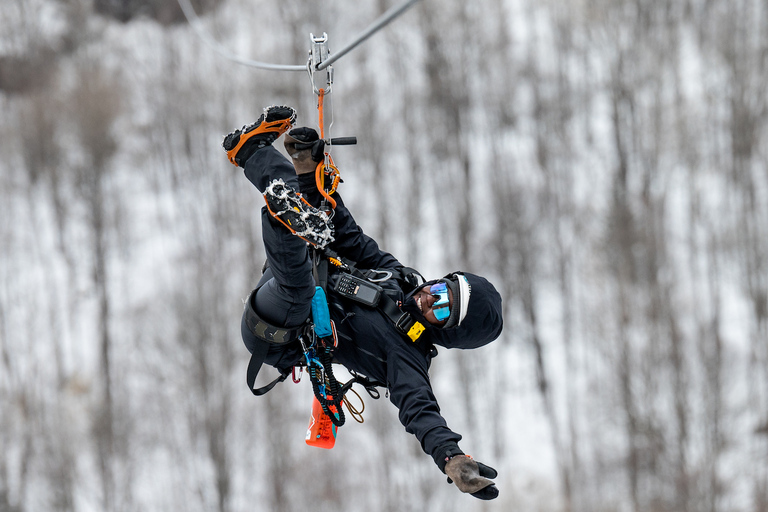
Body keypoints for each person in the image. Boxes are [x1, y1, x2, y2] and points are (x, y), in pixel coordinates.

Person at [223, 106, 504, 500]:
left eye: (441, 308)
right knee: (316, 218)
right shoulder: (399, 277)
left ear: (446, 332)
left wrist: (451, 457)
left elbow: (420, 411)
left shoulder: (407, 356)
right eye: (441, 289)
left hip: (277, 330)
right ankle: (252, 152)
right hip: (290, 273)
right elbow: (352, 240)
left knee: (299, 281)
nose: (429, 297)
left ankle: (282, 215)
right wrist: (313, 172)